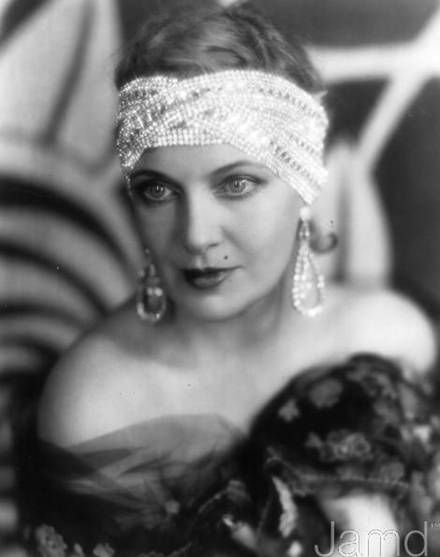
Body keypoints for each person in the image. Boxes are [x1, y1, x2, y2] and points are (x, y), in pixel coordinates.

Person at [18, 4, 439, 557]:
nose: (195, 235)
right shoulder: (95, 407)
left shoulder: (389, 338)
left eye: (236, 184)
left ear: (304, 184)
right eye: (158, 191)